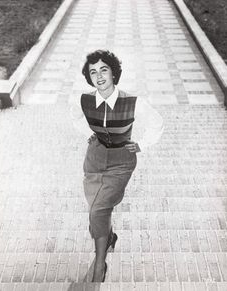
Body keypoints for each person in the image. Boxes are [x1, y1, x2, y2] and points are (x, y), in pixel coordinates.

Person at [70, 50, 164, 282]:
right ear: (89, 77)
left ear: (114, 72)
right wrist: (88, 134)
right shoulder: (83, 100)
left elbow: (157, 122)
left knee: (97, 211)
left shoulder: (132, 102)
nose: (99, 76)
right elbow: (74, 117)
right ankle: (109, 237)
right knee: (97, 208)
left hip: (121, 162)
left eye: (104, 69)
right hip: (94, 160)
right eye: (93, 72)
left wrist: (142, 144)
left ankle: (100, 263)